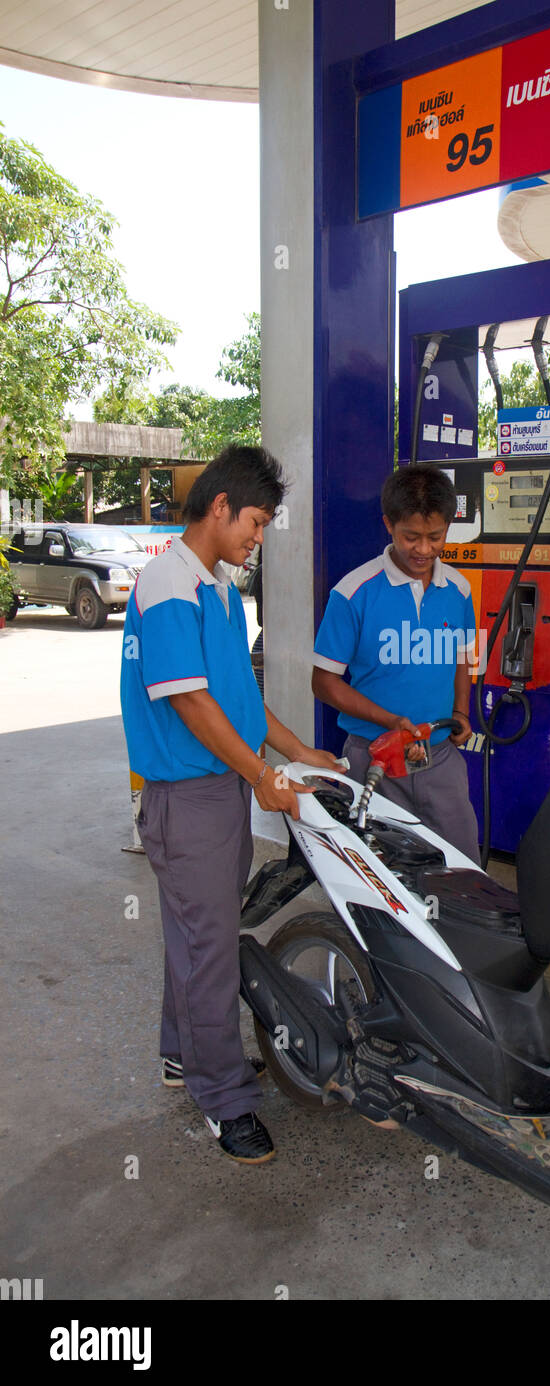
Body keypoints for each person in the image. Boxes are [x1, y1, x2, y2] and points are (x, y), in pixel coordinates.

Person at [121, 444, 340, 1164]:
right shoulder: (166, 584)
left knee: (196, 940)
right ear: (219, 507)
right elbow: (188, 700)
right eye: (255, 520)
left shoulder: (212, 586)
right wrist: (260, 776)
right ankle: (223, 1099)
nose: (257, 536)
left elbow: (236, 702)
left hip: (218, 792)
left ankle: (184, 1054)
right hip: (189, 800)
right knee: (210, 949)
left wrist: (296, 753)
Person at [312, 463, 480, 864]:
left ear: (448, 527)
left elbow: (464, 657)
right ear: (388, 524)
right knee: (376, 873)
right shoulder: (353, 592)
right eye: (411, 536)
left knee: (462, 867)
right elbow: (324, 683)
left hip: (439, 756)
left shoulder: (458, 589)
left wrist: (460, 710)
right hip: (373, 759)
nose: (423, 549)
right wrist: (389, 720)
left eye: (434, 537)